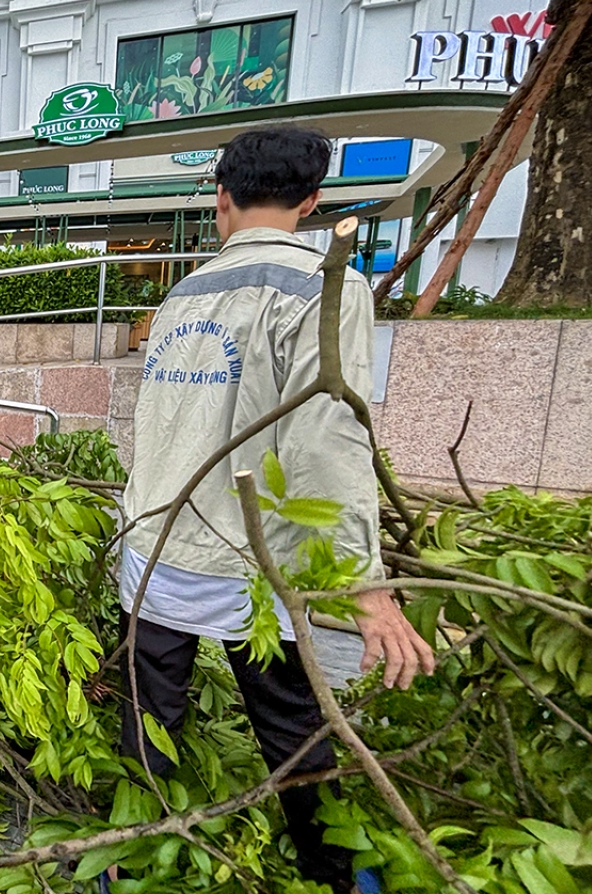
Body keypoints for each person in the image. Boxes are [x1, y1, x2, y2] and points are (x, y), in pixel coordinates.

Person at [115, 128, 436, 893]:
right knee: (293, 731)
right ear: (313, 200)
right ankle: (332, 874)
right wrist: (369, 588)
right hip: (251, 565)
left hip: (155, 550)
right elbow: (327, 444)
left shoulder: (184, 291)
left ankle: (129, 863)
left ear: (220, 197)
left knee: (148, 723)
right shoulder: (327, 287)